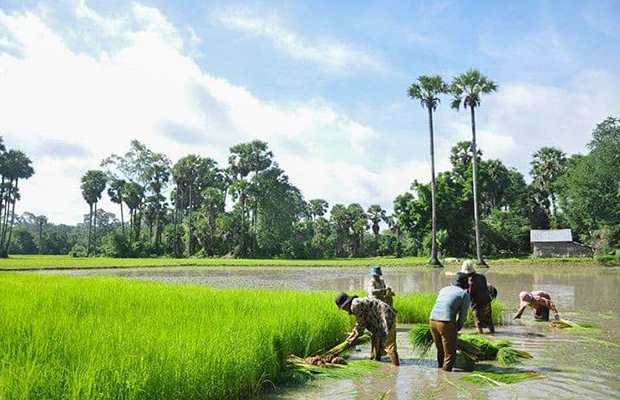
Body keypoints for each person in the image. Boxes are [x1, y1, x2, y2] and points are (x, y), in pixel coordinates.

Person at [335, 292, 400, 366]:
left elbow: (360, 324)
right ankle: (376, 361)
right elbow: (362, 322)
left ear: (346, 304)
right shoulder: (356, 302)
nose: (344, 310)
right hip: (379, 321)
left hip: (385, 317)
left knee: (389, 345)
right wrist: (352, 337)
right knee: (375, 339)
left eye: (343, 308)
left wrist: (355, 338)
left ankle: (396, 368)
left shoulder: (354, 305)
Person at [428, 273, 470, 371]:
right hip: (445, 322)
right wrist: (458, 327)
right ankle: (445, 377)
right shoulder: (464, 295)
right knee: (450, 355)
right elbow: (463, 316)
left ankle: (439, 369)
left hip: (432, 320)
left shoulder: (444, 289)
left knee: (440, 350)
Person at [460, 260, 494, 334]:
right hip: (487, 302)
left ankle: (481, 336)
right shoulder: (482, 276)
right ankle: (493, 333)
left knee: (478, 323)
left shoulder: (471, 282)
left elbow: (469, 294)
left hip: (477, 305)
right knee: (489, 321)